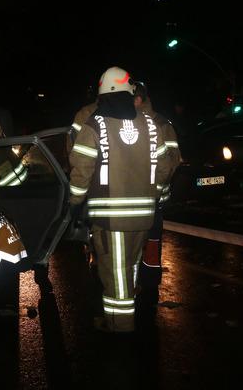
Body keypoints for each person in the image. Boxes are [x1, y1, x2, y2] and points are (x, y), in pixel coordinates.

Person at [68, 66, 173, 333]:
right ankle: (125, 323)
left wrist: (74, 203)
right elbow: (164, 167)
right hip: (144, 217)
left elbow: (81, 170)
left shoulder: (94, 125)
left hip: (110, 219)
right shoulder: (150, 123)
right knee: (130, 271)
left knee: (115, 280)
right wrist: (156, 195)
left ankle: (120, 333)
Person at [133, 82, 181, 312]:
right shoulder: (130, 123)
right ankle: (138, 286)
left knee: (151, 246)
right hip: (134, 198)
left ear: (139, 99)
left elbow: (171, 162)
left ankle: (150, 288)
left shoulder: (161, 124)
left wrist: (155, 190)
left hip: (153, 199)